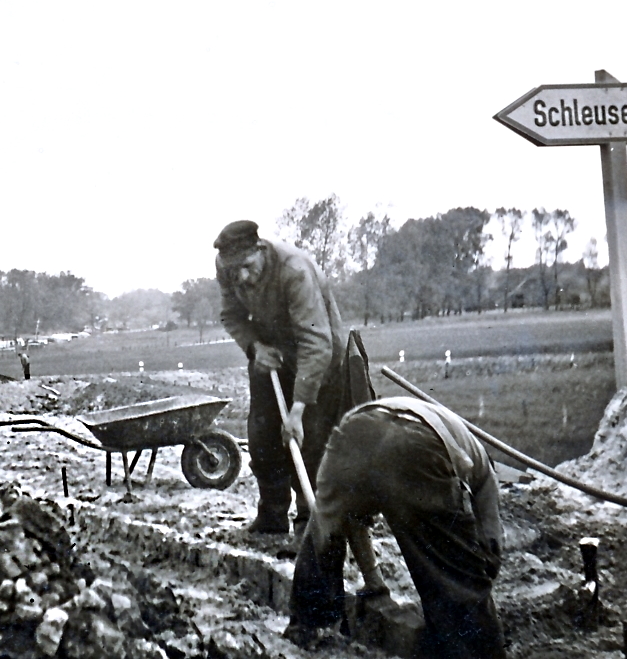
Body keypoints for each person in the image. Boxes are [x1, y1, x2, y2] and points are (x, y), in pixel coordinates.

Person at [288, 397, 505, 658]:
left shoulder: (459, 437)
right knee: (453, 575)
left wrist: (374, 582)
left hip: (351, 435)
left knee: (324, 532)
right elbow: (491, 544)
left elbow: (351, 519)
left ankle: (309, 628)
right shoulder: (483, 472)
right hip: (414, 444)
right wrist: (474, 578)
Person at [214, 220, 372, 536]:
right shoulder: (226, 265)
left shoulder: (294, 270)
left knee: (310, 440)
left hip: (318, 357)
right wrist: (254, 347)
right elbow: (231, 316)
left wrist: (298, 409)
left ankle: (308, 522)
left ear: (259, 250)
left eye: (247, 267)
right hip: (269, 353)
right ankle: (272, 515)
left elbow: (316, 341)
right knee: (262, 435)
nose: (241, 277)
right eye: (234, 272)